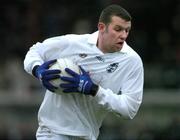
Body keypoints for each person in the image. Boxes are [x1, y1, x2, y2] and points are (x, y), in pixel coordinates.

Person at [24, 4, 144, 140]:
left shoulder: (132, 61)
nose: (123, 35)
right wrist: (37, 70)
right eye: (118, 29)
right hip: (52, 131)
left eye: (127, 30)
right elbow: (36, 50)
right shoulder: (74, 43)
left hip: (87, 135)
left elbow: (129, 109)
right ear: (101, 27)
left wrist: (94, 90)